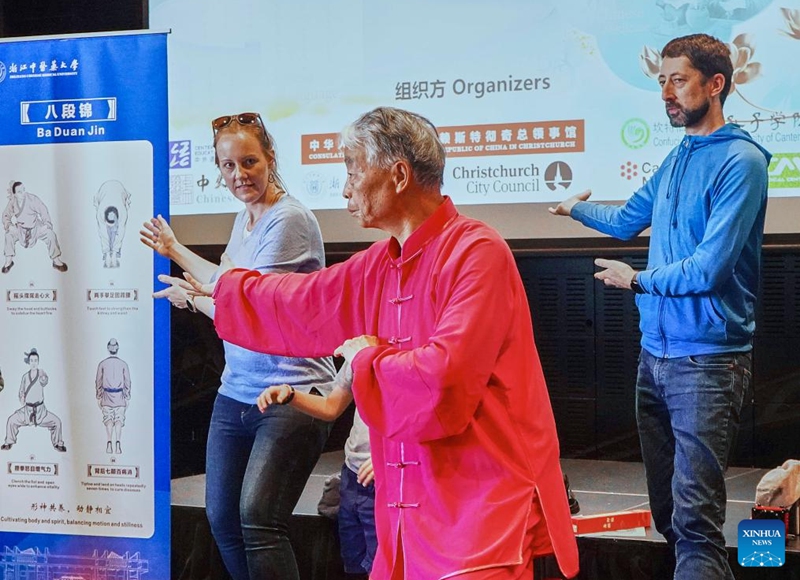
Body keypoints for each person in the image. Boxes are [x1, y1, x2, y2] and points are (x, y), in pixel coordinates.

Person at [186, 106, 579, 579]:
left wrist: (365, 356)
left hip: (475, 509)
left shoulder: (478, 252)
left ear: (397, 175)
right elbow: (301, 301)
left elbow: (444, 375)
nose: (346, 188)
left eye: (353, 172)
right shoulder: (380, 262)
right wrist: (222, 288)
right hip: (406, 506)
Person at [549, 33, 770, 580]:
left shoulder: (740, 162)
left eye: (678, 80)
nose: (666, 93)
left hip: (707, 364)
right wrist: (577, 211)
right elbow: (628, 219)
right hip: (655, 359)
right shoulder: (677, 158)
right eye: (662, 82)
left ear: (716, 84)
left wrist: (637, 281)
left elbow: (708, 268)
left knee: (696, 526)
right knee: (671, 517)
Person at [139, 112, 335, 580]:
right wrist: (192, 299)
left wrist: (175, 249)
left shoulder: (290, 220)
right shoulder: (244, 220)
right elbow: (230, 305)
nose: (238, 176)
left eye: (249, 162)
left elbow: (249, 301)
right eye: (227, 166)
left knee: (259, 521)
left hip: (293, 393)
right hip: (237, 390)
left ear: (270, 158)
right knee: (223, 519)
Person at [259, 362, 377, 579]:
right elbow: (331, 406)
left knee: (383, 566)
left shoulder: (413, 354)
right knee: (355, 564)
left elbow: (435, 415)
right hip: (353, 475)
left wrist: (392, 456)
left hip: (388, 479)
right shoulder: (358, 351)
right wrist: (291, 395)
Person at [2, 348, 66, 452]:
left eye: (35, 360)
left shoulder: (41, 374)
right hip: (27, 410)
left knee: (57, 422)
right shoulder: (25, 377)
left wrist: (43, 377)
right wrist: (22, 397)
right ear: (29, 362)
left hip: (41, 411)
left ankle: (58, 443)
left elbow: (44, 381)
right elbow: (21, 391)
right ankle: (8, 442)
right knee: (11, 420)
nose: (33, 363)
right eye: (31, 360)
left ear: (38, 362)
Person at [2, 181, 68, 273]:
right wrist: (9, 226)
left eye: (23, 190)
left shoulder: (32, 199)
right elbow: (5, 215)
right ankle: (8, 260)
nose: (23, 193)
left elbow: (43, 211)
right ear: (15, 194)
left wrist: (46, 225)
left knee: (50, 234)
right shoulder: (13, 202)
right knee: (8, 235)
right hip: (21, 230)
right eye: (19, 192)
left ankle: (56, 260)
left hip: (35, 227)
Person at [95, 338, 132, 454]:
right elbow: (128, 382)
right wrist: (127, 395)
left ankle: (110, 443)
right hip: (119, 395)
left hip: (107, 395)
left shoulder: (102, 364)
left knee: (109, 420)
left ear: (108, 348)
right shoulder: (123, 364)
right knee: (118, 420)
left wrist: (99, 395)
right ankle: (117, 444)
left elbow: (98, 381)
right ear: (117, 348)